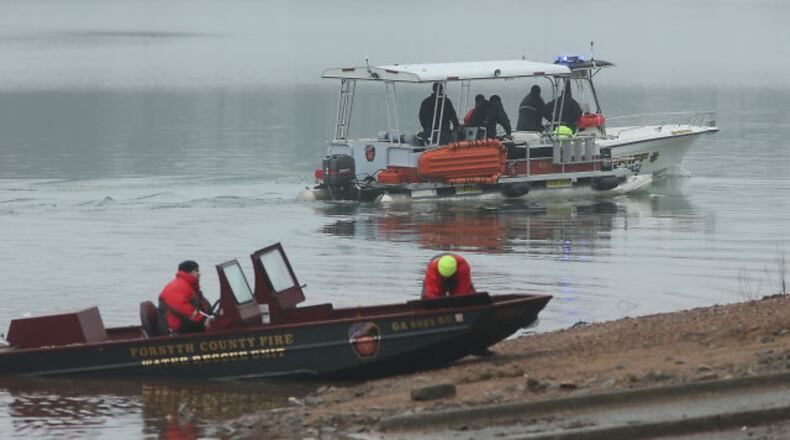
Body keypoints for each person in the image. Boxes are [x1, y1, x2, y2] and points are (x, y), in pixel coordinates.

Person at [158, 260, 213, 334]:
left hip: (187, 323)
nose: (199, 274)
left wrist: (210, 315)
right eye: (196, 271)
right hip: (179, 329)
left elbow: (200, 304)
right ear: (188, 272)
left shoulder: (189, 286)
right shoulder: (178, 286)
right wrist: (204, 319)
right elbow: (184, 309)